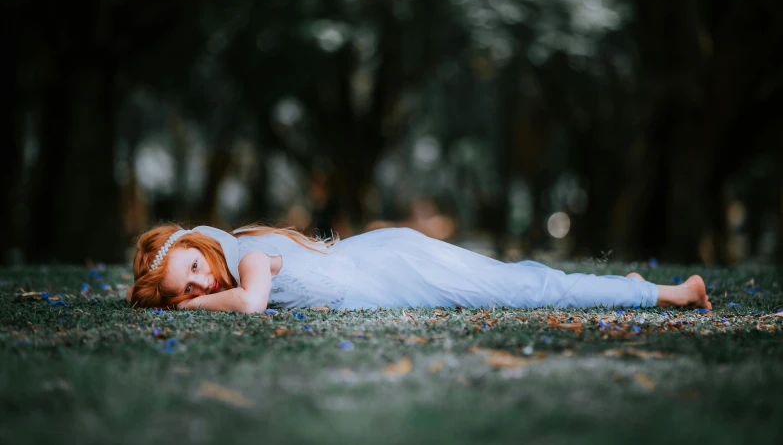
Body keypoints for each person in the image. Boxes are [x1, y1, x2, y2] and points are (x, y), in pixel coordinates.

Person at [126, 223, 712, 312]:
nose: (202, 284)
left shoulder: (249, 260)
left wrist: (195, 305)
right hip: (377, 263)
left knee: (526, 290)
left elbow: (251, 306)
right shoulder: (243, 260)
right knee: (523, 284)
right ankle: (624, 288)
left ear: (203, 245)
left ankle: (671, 293)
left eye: (194, 268)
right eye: (188, 289)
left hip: (399, 268)